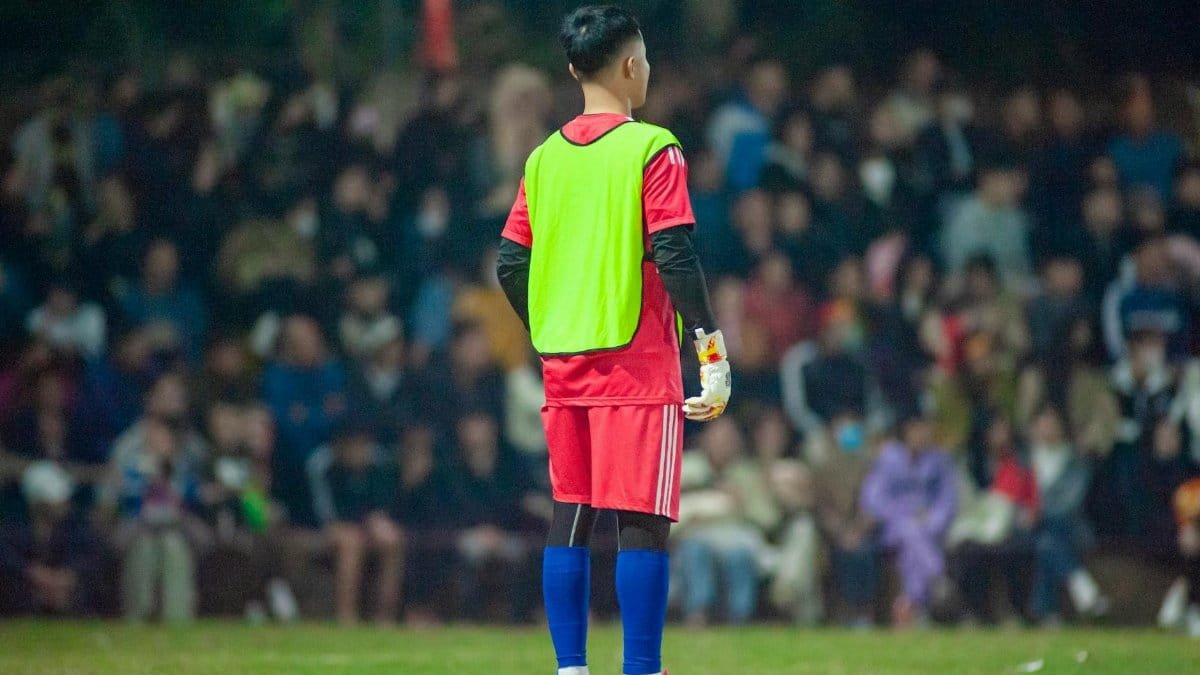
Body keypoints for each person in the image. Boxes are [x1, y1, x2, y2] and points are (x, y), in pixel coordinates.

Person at [495, 7, 730, 674]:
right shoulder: (653, 147)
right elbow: (674, 252)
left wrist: (550, 326)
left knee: (570, 510)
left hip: (566, 362)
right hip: (636, 360)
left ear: (573, 69)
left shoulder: (542, 159)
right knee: (641, 520)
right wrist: (710, 351)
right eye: (646, 59)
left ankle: (570, 666)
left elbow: (510, 262)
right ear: (630, 65)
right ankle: (641, 668)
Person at [861, 413, 958, 627]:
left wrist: (932, 520)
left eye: (925, 429)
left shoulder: (940, 461)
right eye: (917, 429)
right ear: (906, 431)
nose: (922, 435)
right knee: (909, 530)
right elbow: (873, 499)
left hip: (931, 530)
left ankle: (910, 604)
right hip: (894, 527)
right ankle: (936, 577)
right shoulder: (888, 459)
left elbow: (948, 500)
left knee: (912, 548)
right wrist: (903, 513)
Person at [307, 418, 405, 625]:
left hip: (364, 527)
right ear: (340, 445)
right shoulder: (322, 464)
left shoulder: (380, 462)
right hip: (325, 529)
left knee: (392, 539)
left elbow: (382, 507)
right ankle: (346, 616)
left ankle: (385, 618)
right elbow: (325, 515)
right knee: (351, 543)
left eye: (363, 445)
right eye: (354, 445)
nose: (359, 451)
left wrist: (377, 522)